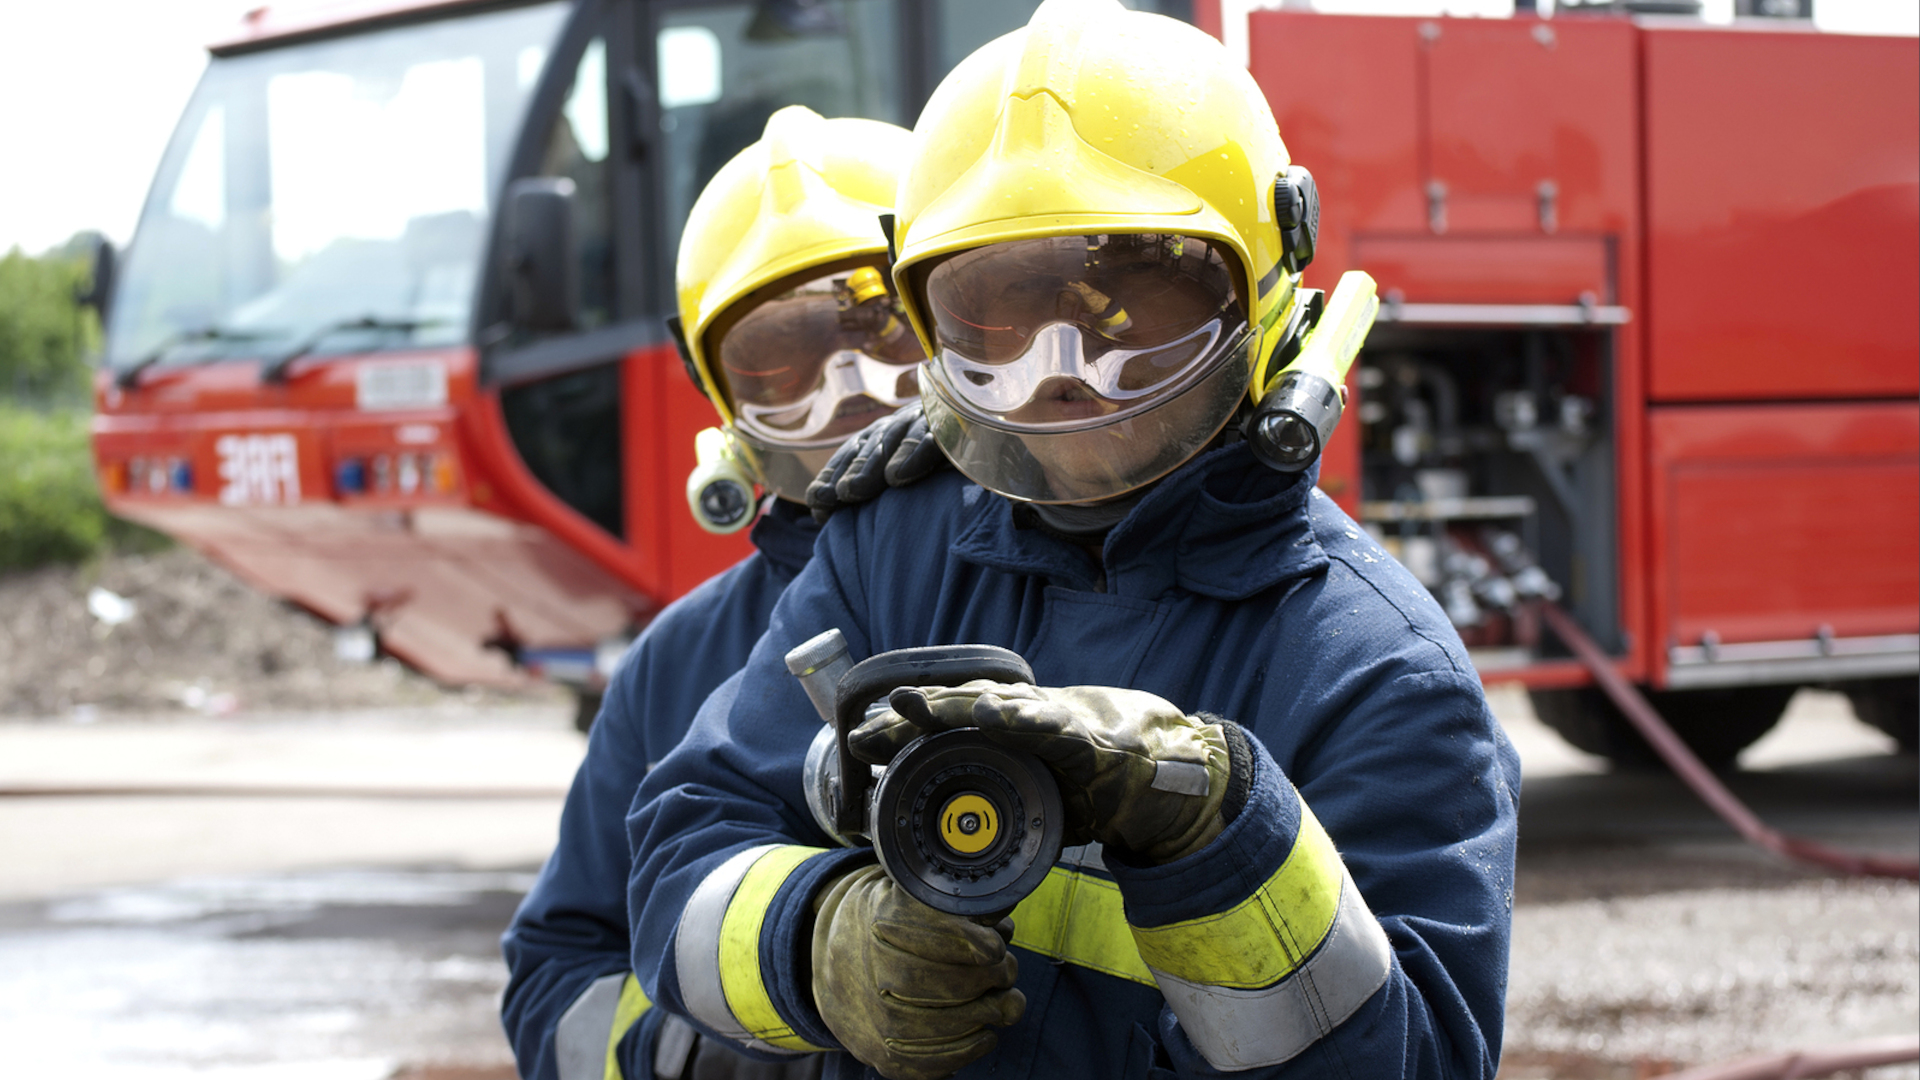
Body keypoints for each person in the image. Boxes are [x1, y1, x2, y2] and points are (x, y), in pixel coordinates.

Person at [624, 2, 1521, 1078]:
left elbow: (1412, 1064)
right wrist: (817, 943)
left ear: (1265, 284)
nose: (1060, 370)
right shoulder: (888, 554)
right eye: (996, 318)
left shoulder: (1373, 671)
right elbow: (686, 844)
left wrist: (1221, 829)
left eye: (1128, 305)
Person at [501, 105, 940, 1080]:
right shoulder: (677, 661)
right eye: (785, 364)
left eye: (887, 332)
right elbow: (556, 973)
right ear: (721, 402)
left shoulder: (1088, 579)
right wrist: (707, 1059)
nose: (857, 394)